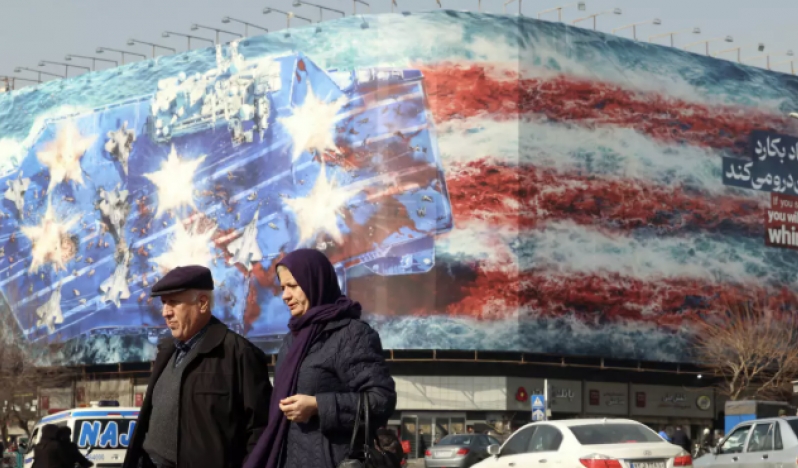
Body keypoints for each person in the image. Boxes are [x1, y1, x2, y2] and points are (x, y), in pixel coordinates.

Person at [245, 249, 397, 468]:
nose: (286, 295)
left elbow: (381, 400)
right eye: (283, 287)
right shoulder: (293, 339)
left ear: (316, 282)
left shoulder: (351, 334)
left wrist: (318, 405)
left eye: (294, 286)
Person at [123, 265, 273, 468]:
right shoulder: (167, 353)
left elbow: (260, 431)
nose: (166, 313)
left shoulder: (239, 354)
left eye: (174, 303)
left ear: (202, 303)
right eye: (164, 303)